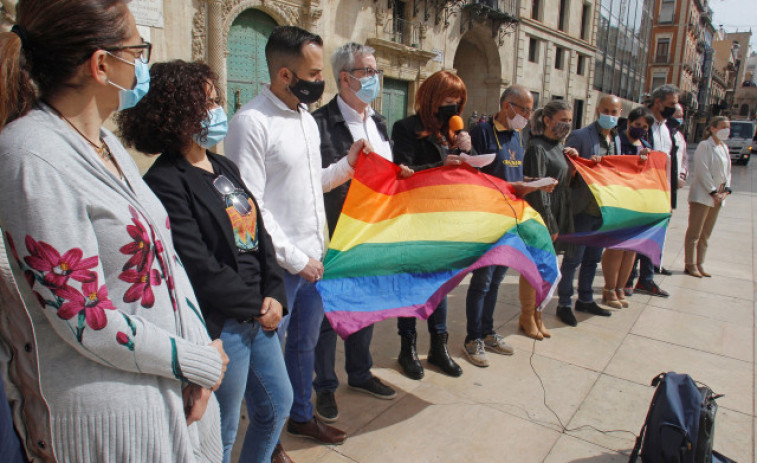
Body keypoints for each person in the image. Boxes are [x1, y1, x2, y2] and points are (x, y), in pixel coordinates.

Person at [0, 2, 229, 461]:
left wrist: (200, 350)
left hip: (172, 399)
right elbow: (83, 315)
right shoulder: (33, 155)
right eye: (136, 50)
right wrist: (196, 362)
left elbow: (166, 260)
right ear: (102, 64)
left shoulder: (107, 145)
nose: (143, 64)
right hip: (111, 423)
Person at [118, 60, 294, 463]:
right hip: (222, 326)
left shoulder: (223, 166)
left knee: (275, 407)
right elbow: (196, 263)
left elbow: (259, 235)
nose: (217, 112)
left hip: (262, 316)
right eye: (206, 104)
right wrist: (255, 306)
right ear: (177, 113)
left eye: (215, 101)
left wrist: (274, 294)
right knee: (221, 431)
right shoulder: (165, 181)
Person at [226, 26, 367, 446]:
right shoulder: (251, 122)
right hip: (279, 267)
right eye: (312, 72)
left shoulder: (304, 120)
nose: (320, 81)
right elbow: (248, 207)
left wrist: (348, 165)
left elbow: (311, 185)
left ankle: (302, 417)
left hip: (314, 260)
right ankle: (267, 442)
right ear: (285, 75)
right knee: (267, 360)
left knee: (304, 346)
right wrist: (294, 260)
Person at [311, 43, 405, 422]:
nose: (375, 77)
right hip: (337, 234)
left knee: (365, 309)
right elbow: (314, 182)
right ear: (345, 77)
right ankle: (324, 387)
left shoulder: (378, 122)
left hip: (374, 232)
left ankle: (361, 373)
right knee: (327, 318)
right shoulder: (318, 124)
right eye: (367, 70)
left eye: (375, 69)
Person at [391, 70, 471, 380]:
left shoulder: (453, 132)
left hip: (446, 220)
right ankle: (407, 348)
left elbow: (471, 173)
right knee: (411, 286)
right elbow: (402, 172)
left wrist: (467, 149)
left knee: (440, 286)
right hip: (415, 219)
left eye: (458, 101)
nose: (453, 106)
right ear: (431, 98)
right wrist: (441, 165)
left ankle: (439, 346)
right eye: (448, 100)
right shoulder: (405, 128)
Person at [464, 85, 546, 366]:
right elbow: (473, 176)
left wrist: (534, 184)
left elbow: (514, 173)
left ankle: (488, 331)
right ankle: (472, 337)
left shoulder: (518, 136)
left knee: (497, 279)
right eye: (524, 109)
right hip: (487, 219)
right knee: (482, 280)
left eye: (530, 109)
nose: (528, 115)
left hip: (511, 219)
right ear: (507, 105)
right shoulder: (483, 133)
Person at [555, 95, 623, 326]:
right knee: (574, 258)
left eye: (614, 112)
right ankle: (564, 302)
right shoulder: (581, 136)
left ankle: (585, 298)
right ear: (597, 110)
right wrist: (585, 164)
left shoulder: (616, 140)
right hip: (581, 207)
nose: (609, 115)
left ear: (620, 113)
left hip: (603, 211)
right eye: (605, 110)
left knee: (593, 259)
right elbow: (564, 166)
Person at [522, 100, 577, 335]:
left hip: (560, 209)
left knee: (548, 269)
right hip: (543, 213)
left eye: (569, 121)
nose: (566, 125)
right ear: (547, 120)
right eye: (562, 120)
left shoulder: (558, 147)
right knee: (535, 267)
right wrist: (548, 223)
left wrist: (572, 164)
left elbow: (565, 181)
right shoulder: (537, 147)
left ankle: (538, 313)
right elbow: (538, 187)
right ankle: (527, 315)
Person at [625, 84, 680, 298]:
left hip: (661, 189)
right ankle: (629, 279)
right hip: (644, 189)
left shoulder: (666, 129)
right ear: (658, 102)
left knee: (654, 236)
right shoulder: (644, 124)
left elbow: (668, 162)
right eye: (671, 103)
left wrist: (669, 195)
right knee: (639, 235)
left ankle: (646, 279)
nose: (674, 108)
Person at [601, 106, 655, 309]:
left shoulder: (646, 145)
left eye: (644, 126)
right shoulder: (616, 141)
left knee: (631, 248)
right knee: (616, 246)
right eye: (637, 124)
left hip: (638, 201)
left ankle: (620, 288)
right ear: (629, 122)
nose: (640, 128)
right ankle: (609, 287)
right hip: (618, 200)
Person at [684, 116, 732, 277]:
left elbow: (728, 172)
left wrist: (726, 191)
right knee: (695, 232)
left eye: (728, 127)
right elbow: (702, 170)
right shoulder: (705, 146)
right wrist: (713, 192)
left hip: (718, 197)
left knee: (706, 233)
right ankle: (690, 264)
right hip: (703, 195)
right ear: (712, 128)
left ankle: (700, 263)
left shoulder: (724, 148)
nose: (726, 130)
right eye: (722, 126)